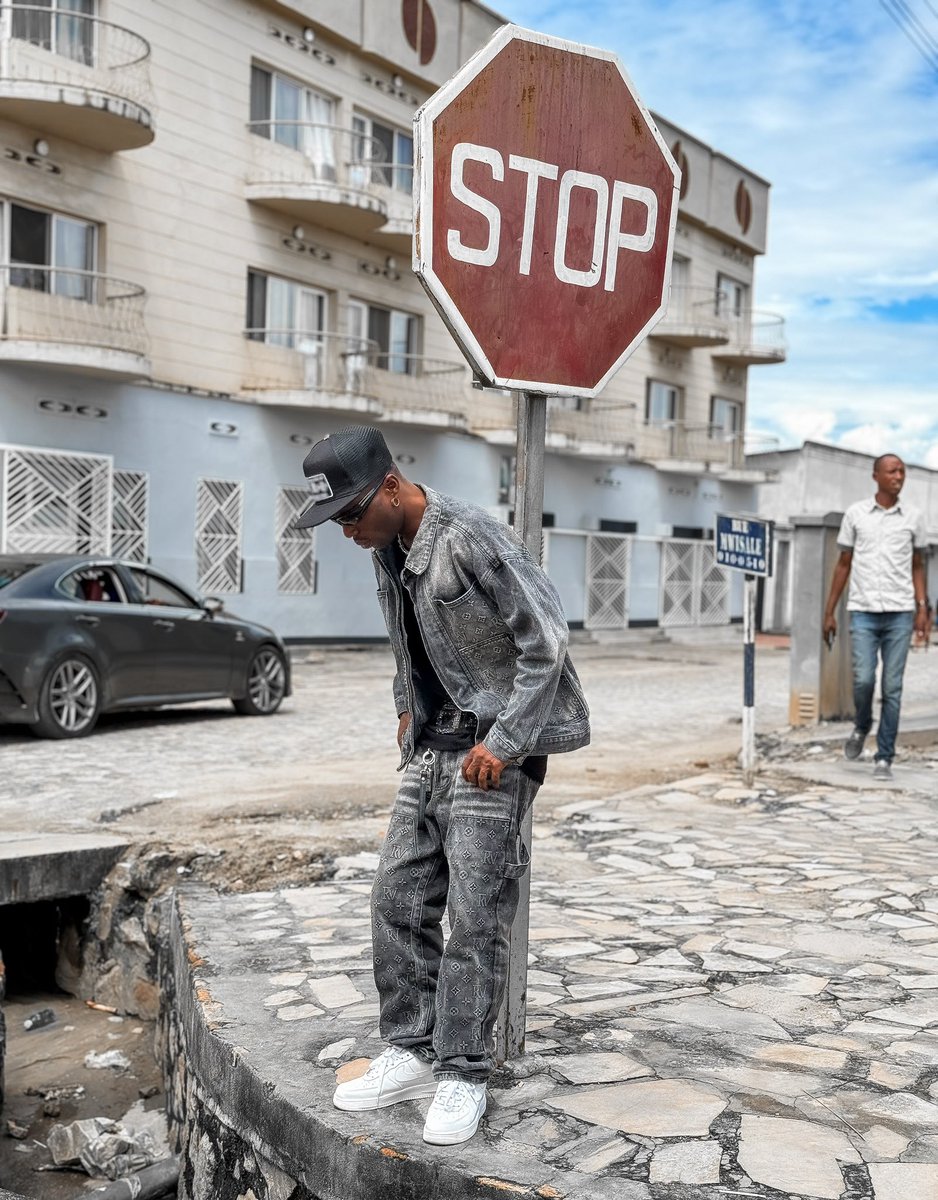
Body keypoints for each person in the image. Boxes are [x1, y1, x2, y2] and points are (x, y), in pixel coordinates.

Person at [295, 426, 589, 1145]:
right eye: (337, 521)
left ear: (391, 486)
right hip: (432, 746)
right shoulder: (386, 547)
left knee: (475, 915)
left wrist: (506, 742)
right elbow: (405, 637)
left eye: (353, 513)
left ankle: (463, 1074)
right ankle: (410, 1050)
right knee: (396, 897)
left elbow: (545, 640)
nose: (348, 530)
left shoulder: (473, 538)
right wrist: (405, 702)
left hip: (492, 751)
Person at [822, 452, 928, 780]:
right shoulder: (856, 514)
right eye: (893, 471)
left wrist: (923, 608)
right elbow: (843, 564)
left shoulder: (913, 517)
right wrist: (829, 611)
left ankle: (884, 756)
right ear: (876, 476)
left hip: (899, 612)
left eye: (902, 471)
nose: (899, 476)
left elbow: (917, 566)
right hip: (863, 611)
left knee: (892, 687)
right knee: (864, 679)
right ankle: (862, 725)